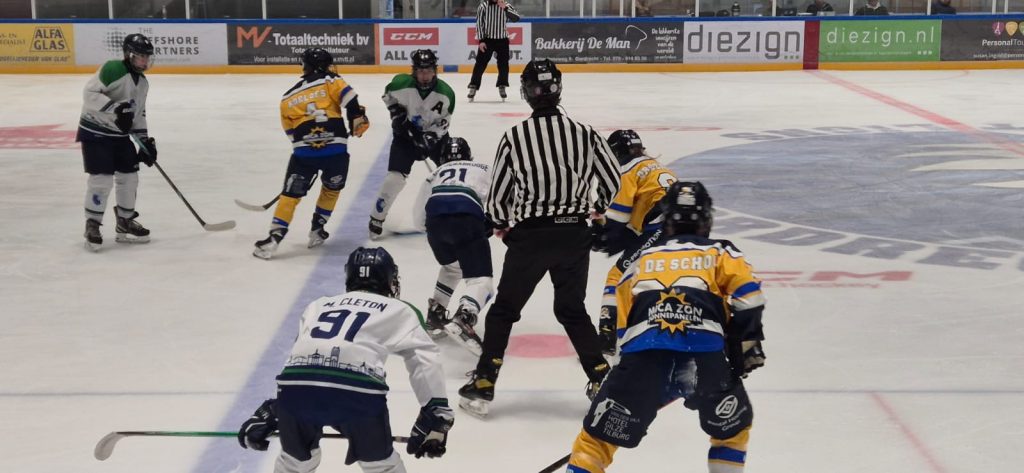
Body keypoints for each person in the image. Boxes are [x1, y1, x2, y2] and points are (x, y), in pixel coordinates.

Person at [565, 181, 767, 473]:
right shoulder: (721, 251)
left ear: (667, 222)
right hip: (706, 357)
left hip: (642, 357)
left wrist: (636, 379)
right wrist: (745, 343)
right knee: (731, 433)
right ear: (707, 219)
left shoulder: (642, 259)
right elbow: (749, 299)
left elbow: (624, 322)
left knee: (596, 441)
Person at [458, 59, 621, 418]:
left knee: (503, 312)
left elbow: (499, 196)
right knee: (571, 310)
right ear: (558, 89)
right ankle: (600, 377)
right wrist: (594, 208)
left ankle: (484, 381)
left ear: (527, 93)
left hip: (531, 235)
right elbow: (612, 179)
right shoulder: (585, 132)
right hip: (574, 234)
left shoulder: (515, 137)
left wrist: (501, 222)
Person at [237, 246, 454, 473]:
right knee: (381, 466)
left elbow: (303, 359)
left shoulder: (317, 306)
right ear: (389, 278)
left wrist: (277, 408)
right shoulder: (400, 309)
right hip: (357, 395)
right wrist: (436, 411)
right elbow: (422, 357)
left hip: (296, 391)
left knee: (295, 463)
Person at [253, 48, 369, 260]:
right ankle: (318, 228)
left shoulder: (287, 96)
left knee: (290, 196)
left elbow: (290, 133)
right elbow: (351, 100)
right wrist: (356, 120)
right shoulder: (331, 80)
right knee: (331, 189)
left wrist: (309, 147)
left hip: (304, 153)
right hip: (336, 150)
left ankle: (274, 237)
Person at [591, 130, 677, 356]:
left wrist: (600, 237)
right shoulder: (653, 164)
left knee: (617, 275)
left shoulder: (624, 170)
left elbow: (618, 218)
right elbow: (635, 223)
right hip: (682, 227)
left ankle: (607, 334)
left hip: (662, 227)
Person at [411, 137, 494, 356]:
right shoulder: (484, 168)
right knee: (481, 280)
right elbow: (501, 198)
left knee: (452, 267)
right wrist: (492, 221)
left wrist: (434, 228)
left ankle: (436, 314)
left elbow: (418, 219)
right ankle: (464, 316)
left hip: (435, 222)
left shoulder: (434, 174)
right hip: (466, 218)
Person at [78, 33, 157, 251]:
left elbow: (138, 115)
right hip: (96, 132)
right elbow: (89, 94)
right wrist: (115, 109)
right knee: (101, 180)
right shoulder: (113, 68)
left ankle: (125, 221)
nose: (144, 61)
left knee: (130, 177)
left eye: (147, 58)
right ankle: (92, 225)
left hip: (120, 136)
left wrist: (144, 142)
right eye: (140, 57)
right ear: (129, 55)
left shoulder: (142, 83)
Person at [370, 49, 456, 240]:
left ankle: (455, 212)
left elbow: (443, 123)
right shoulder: (400, 84)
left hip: (435, 137)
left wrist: (429, 140)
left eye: (428, 71)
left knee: (451, 170)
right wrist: (395, 113)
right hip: (405, 137)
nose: (425, 76)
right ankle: (377, 217)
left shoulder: (446, 94)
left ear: (435, 70)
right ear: (414, 71)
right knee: (395, 178)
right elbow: (388, 96)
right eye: (420, 71)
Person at [467, 0, 520, 102]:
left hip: (502, 40)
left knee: (503, 64)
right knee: (480, 64)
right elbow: (479, 23)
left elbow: (516, 18)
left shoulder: (506, 4)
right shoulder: (483, 6)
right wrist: (481, 40)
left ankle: (502, 85)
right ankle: (473, 85)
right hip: (487, 40)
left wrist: (505, 8)